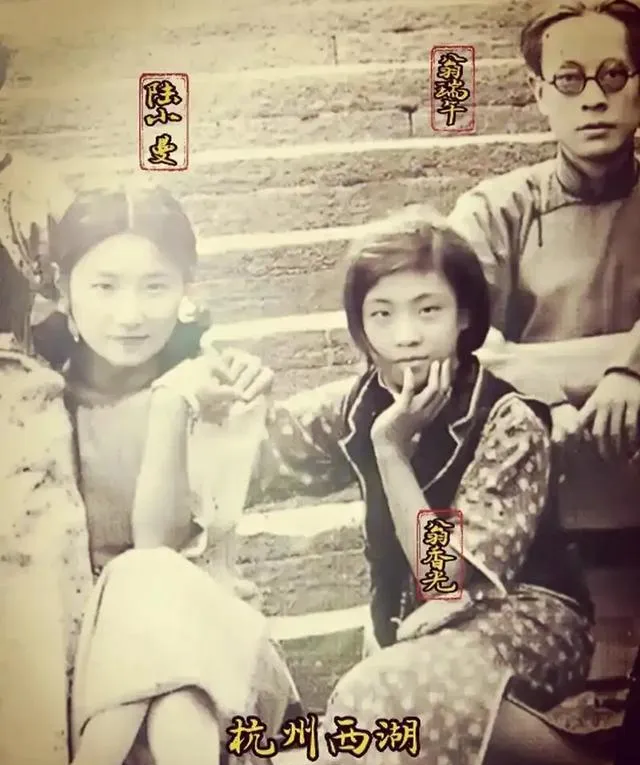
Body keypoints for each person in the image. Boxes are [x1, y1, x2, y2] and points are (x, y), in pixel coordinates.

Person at [245, 205, 597, 765]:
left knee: (379, 696)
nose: (406, 336)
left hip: (526, 621)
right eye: (381, 315)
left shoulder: (508, 419)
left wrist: (392, 452)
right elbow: (252, 459)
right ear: (361, 327)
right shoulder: (356, 405)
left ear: (464, 316)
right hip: (413, 632)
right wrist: (224, 390)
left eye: (428, 310)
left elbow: (443, 579)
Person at [32, 181, 301, 765]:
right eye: (104, 286)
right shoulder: (36, 402)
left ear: (187, 290)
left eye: (155, 286)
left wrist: (171, 404)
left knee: (146, 580)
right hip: (83, 672)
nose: (129, 314)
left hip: (214, 660)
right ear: (62, 288)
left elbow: (161, 548)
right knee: (168, 698)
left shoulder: (220, 392)